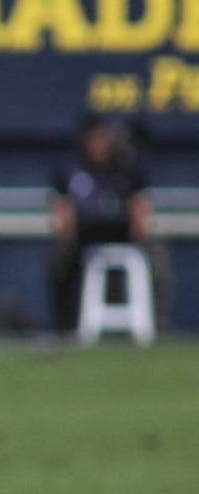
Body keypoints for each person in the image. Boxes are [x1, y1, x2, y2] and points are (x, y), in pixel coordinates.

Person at [47, 112, 171, 334]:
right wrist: (67, 231)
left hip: (122, 229)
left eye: (102, 137)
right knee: (59, 256)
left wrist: (139, 228)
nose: (98, 144)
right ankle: (65, 324)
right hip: (84, 232)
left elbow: (140, 205)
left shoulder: (127, 163)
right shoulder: (70, 166)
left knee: (157, 254)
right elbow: (62, 211)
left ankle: (157, 322)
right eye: (94, 138)